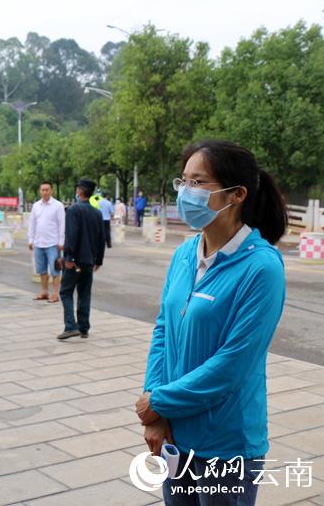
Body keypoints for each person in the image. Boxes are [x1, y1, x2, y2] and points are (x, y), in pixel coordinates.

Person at [136, 141, 287, 505]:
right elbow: (163, 330)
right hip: (175, 433)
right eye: (183, 181)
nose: (186, 192)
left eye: (198, 183)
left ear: (236, 194)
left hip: (227, 442)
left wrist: (160, 401)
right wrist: (155, 410)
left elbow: (232, 365)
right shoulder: (184, 253)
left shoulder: (262, 268)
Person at [57, 178, 105, 340]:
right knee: (84, 293)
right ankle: (83, 327)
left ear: (79, 191)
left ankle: (70, 326)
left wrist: (68, 257)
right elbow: (101, 238)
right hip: (89, 261)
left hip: (74, 260)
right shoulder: (97, 213)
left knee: (65, 292)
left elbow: (71, 236)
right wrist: (98, 260)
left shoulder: (73, 210)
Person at [27, 181, 65, 303]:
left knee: (55, 269)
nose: (45, 192)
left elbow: (62, 225)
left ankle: (55, 294)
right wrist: (30, 239)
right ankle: (44, 291)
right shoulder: (36, 206)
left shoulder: (58, 205)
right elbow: (32, 223)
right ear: (40, 191)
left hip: (53, 243)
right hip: (38, 242)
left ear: (51, 191)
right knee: (41, 269)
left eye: (47, 189)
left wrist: (61, 241)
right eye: (42, 190)